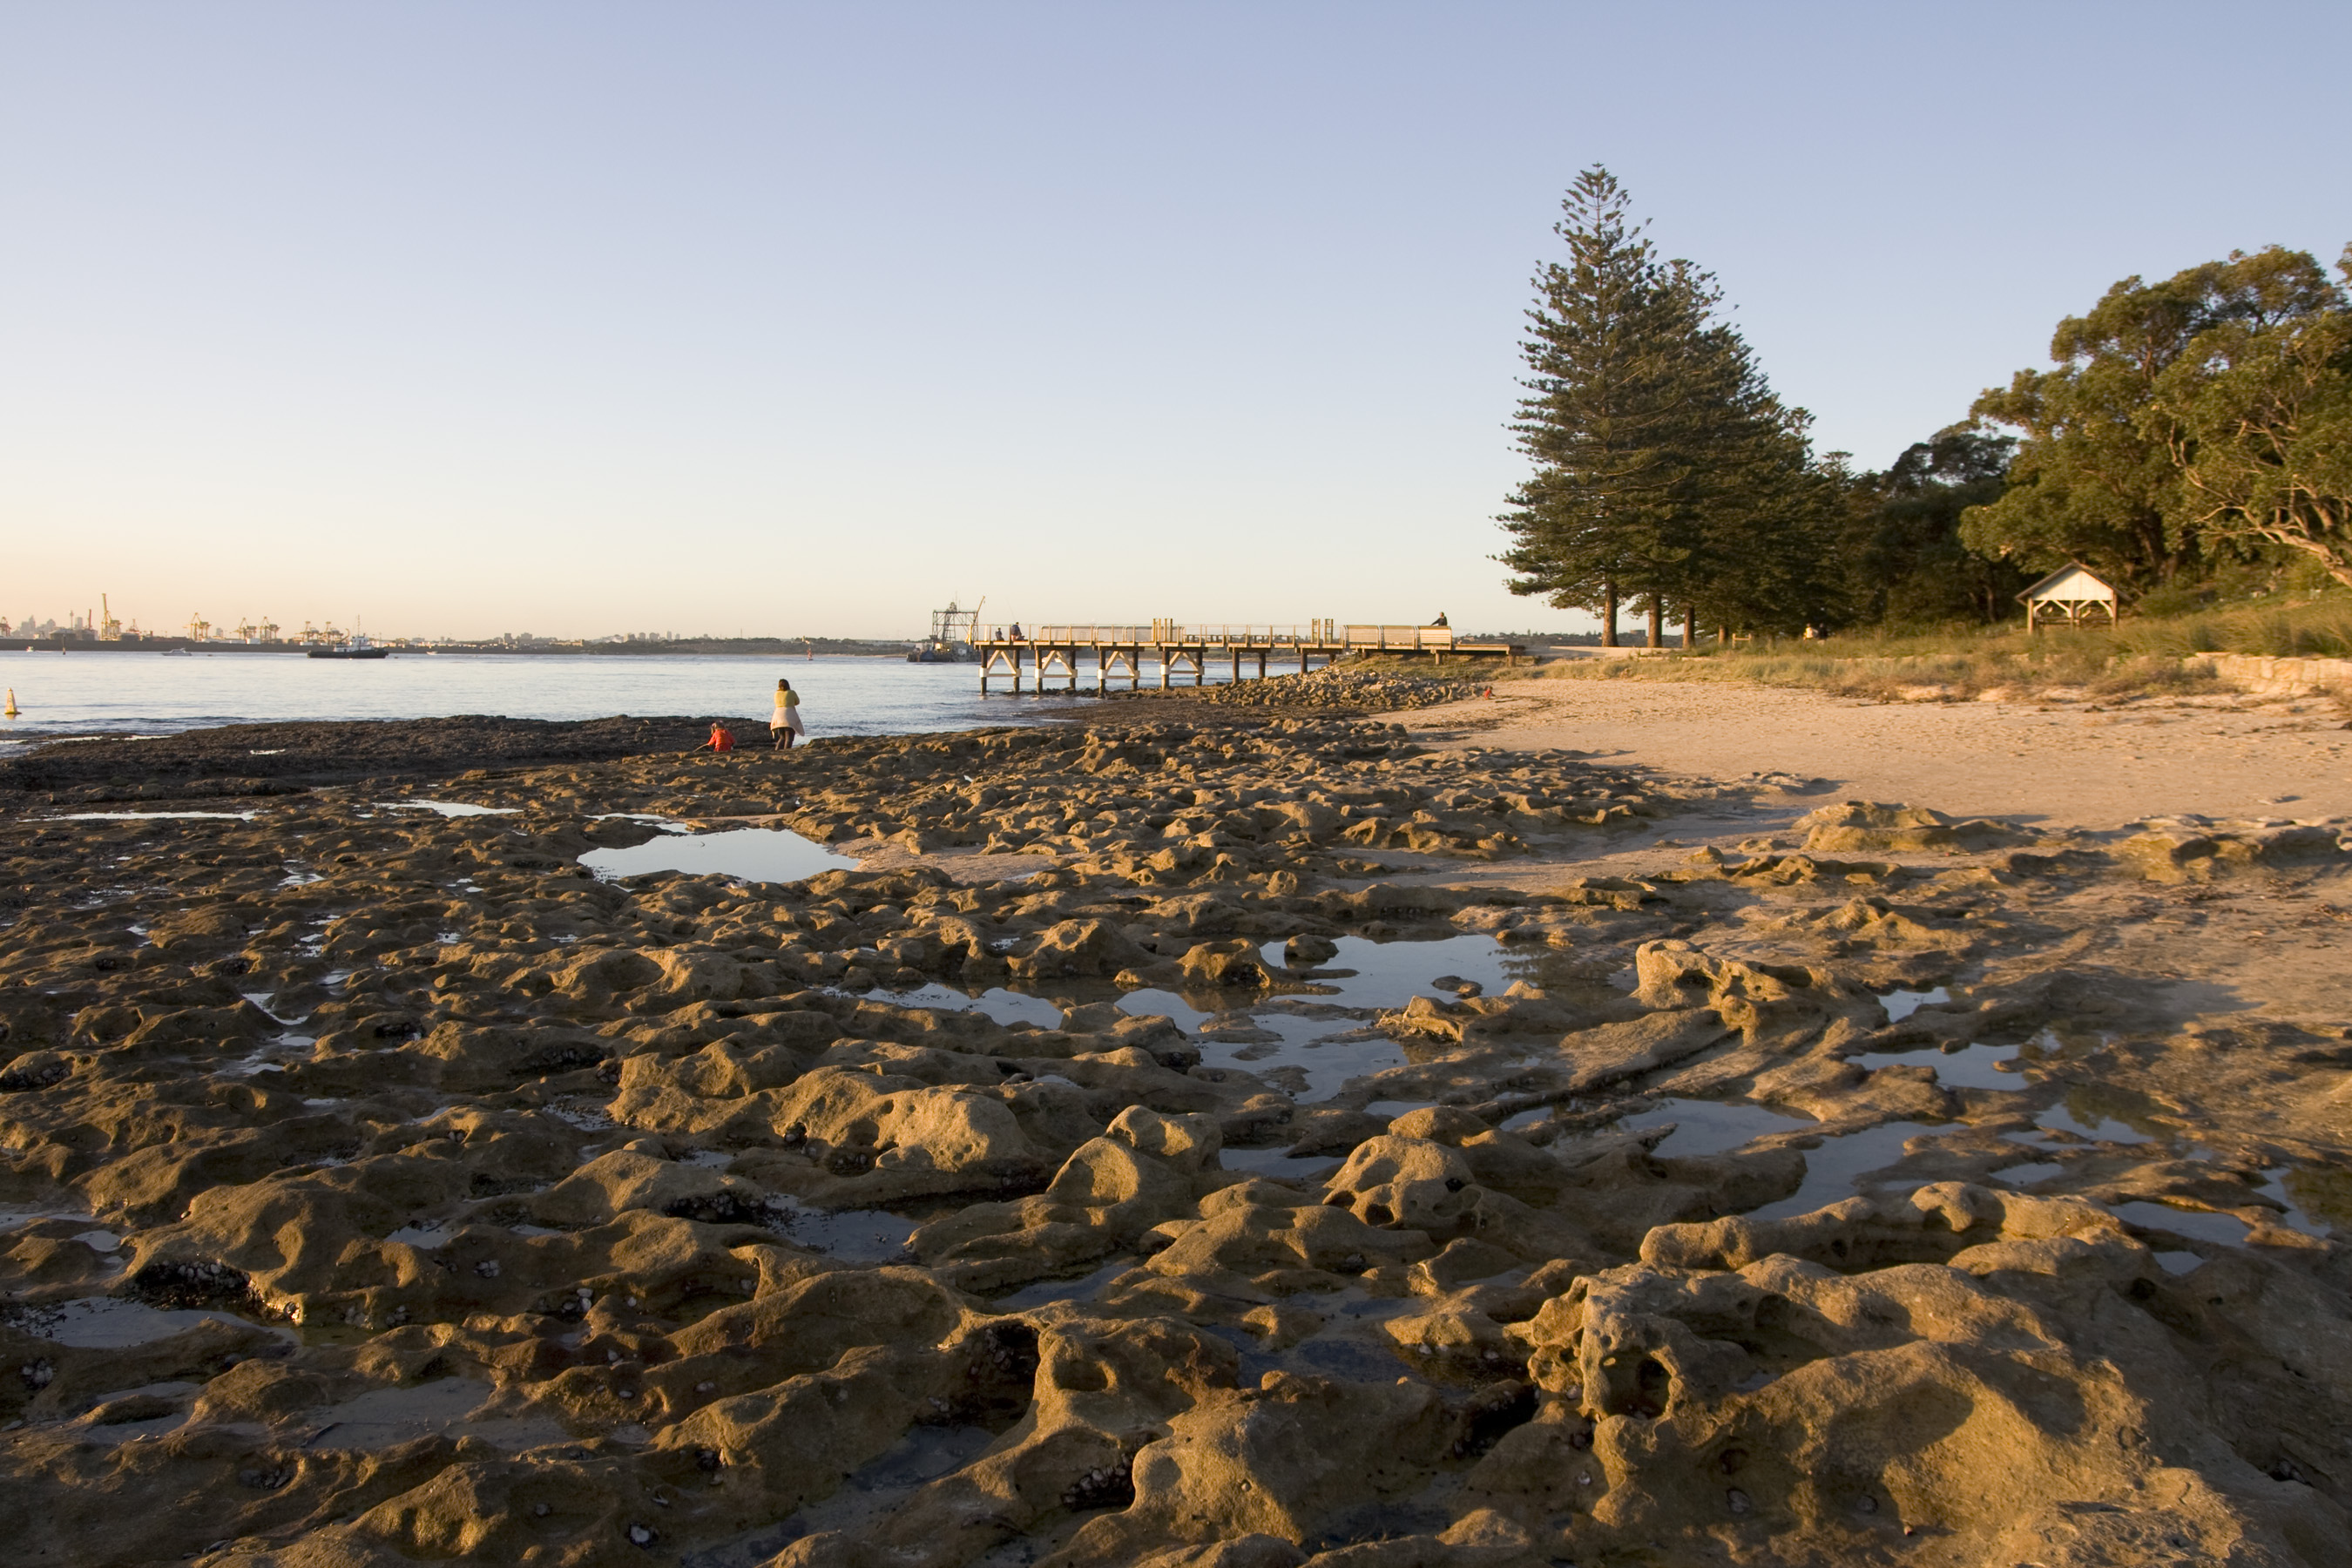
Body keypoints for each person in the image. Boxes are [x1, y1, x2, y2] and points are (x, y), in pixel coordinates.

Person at [771, 679, 805, 749]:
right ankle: (786, 751)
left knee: (782, 737)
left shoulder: (776, 693)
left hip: (777, 716)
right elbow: (797, 702)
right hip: (789, 715)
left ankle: (777, 751)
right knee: (789, 738)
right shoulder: (792, 692)